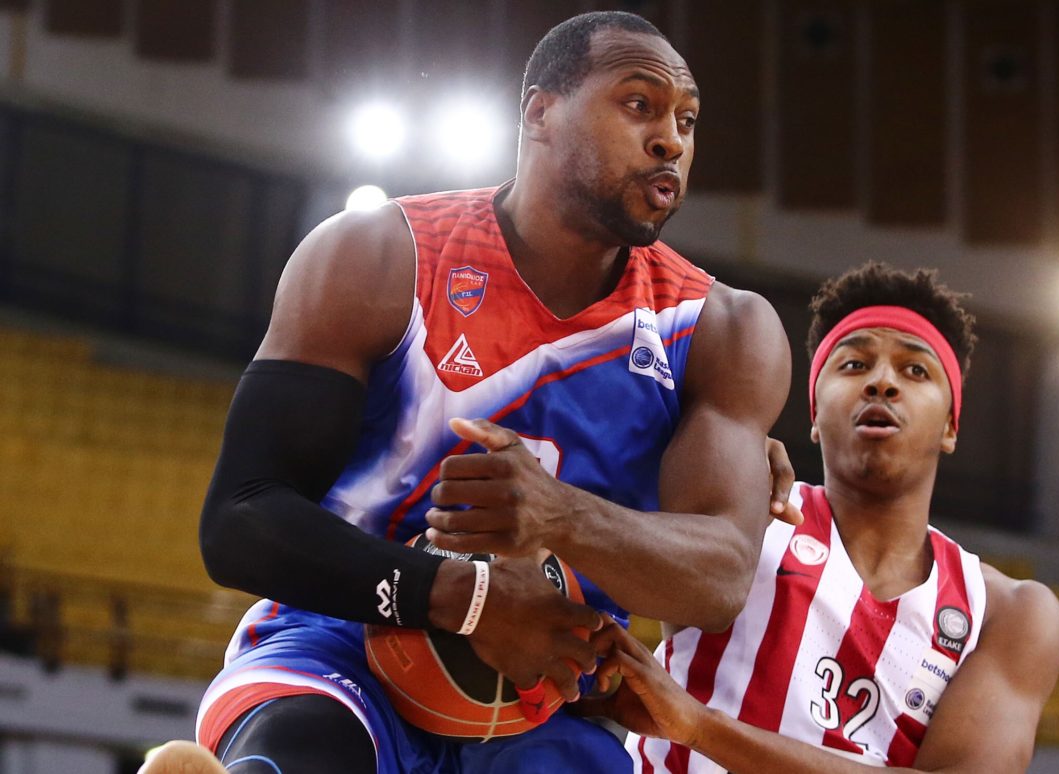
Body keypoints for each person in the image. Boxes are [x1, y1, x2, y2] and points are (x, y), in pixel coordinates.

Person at [149, 11, 799, 774]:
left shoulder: (723, 328)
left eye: (686, 121)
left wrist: (560, 515)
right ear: (540, 112)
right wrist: (462, 596)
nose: (671, 141)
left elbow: (719, 578)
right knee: (306, 749)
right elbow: (240, 518)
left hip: (546, 695)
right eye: (639, 105)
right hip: (342, 647)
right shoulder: (379, 254)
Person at [583, 263, 1059, 773]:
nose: (882, 382)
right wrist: (723, 455)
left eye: (915, 370)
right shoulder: (743, 511)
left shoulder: (1006, 612)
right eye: (855, 364)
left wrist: (699, 727)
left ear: (951, 425)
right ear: (814, 411)